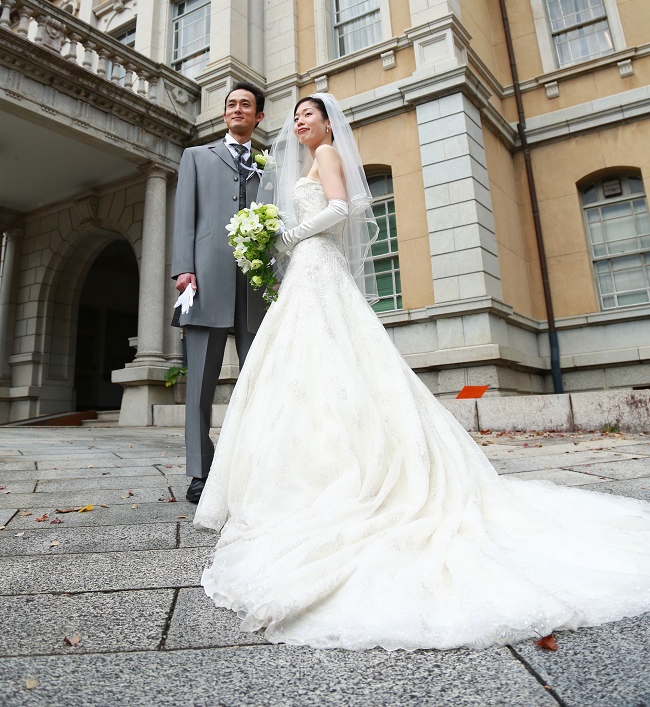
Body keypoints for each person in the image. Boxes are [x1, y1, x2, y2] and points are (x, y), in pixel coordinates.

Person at [194, 93, 650, 651]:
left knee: (335, 360)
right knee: (305, 370)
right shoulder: (309, 161)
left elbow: (344, 209)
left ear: (327, 122)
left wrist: (289, 235)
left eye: (307, 115)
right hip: (306, 273)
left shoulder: (331, 154)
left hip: (317, 266)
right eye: (296, 117)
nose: (299, 122)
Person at [172, 82, 267, 504]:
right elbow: (185, 217)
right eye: (232, 104)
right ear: (225, 114)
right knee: (200, 388)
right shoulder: (195, 157)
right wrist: (184, 269)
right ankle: (199, 471)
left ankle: (252, 466)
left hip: (256, 286)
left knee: (258, 381)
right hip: (205, 280)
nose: (237, 109)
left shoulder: (271, 166)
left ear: (258, 116)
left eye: (246, 105)